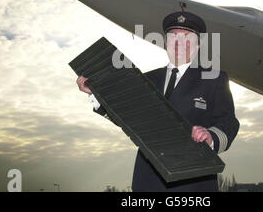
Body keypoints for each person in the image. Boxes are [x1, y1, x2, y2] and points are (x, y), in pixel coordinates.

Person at [76, 11, 239, 192]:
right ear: (165, 43)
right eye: (173, 37)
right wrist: (97, 94)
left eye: (187, 37)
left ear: (198, 45)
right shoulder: (145, 80)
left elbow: (228, 121)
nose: (179, 43)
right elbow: (127, 117)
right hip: (148, 179)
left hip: (193, 181)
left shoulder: (214, 79)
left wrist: (211, 137)